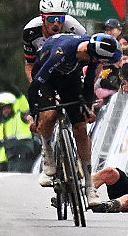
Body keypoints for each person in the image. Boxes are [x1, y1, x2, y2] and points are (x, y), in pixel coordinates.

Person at [29, 32, 122, 207]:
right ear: (90, 52)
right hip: (46, 78)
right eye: (98, 61)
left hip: (70, 79)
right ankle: (47, 152)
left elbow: (88, 84)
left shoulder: (93, 55)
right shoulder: (62, 52)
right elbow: (35, 86)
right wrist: (34, 111)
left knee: (80, 129)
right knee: (49, 115)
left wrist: (87, 107)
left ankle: (89, 186)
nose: (97, 64)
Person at [23, 0, 88, 82]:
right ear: (42, 18)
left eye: (60, 19)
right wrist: (34, 85)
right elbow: (30, 64)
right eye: (51, 18)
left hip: (71, 70)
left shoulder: (76, 29)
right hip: (44, 70)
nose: (56, 23)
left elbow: (86, 60)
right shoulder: (31, 31)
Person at [0, 91, 36, 173]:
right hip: (11, 162)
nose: (5, 111)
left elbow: (24, 106)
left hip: (24, 160)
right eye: (3, 108)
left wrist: (18, 94)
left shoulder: (20, 116)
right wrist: (1, 162)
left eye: (7, 107)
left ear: (12, 107)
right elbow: (3, 146)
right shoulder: (1, 126)